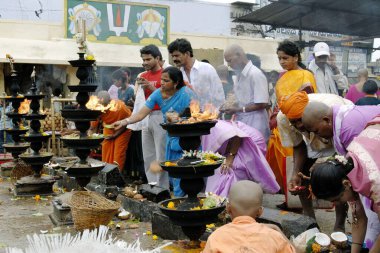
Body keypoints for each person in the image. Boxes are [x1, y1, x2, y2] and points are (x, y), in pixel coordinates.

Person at [113, 67, 194, 196]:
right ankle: (164, 194)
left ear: (176, 82)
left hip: (187, 136)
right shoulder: (157, 94)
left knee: (185, 168)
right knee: (171, 165)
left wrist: (181, 119)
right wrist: (124, 122)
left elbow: (196, 113)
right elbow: (140, 114)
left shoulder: (186, 93)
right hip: (171, 135)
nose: (161, 82)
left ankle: (188, 198)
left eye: (166, 80)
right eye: (161, 79)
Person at [277, 91, 352, 231]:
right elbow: (298, 145)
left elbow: (343, 152)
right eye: (293, 122)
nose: (299, 125)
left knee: (337, 176)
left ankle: (340, 223)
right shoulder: (282, 118)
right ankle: (309, 218)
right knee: (301, 174)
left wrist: (326, 162)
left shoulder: (334, 109)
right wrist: (295, 173)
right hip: (313, 141)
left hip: (337, 136)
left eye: (300, 119)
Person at [310, 130, 380, 253]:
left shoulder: (375, 183)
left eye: (336, 199)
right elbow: (358, 217)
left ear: (346, 184)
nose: (336, 204)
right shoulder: (345, 170)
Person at [266, 40, 316, 192]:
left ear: (296, 57)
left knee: (299, 161)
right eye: (279, 58)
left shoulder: (305, 75)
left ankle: (302, 196)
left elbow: (310, 99)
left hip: (301, 125)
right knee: (282, 162)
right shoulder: (282, 78)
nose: (282, 62)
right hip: (283, 124)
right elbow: (278, 102)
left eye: (285, 58)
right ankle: (287, 195)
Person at [203, 180, 296, 253]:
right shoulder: (273, 236)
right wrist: (277, 229)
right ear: (260, 212)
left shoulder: (217, 236)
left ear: (228, 208)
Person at [202, 120, 280, 197]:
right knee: (221, 168)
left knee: (230, 168)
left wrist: (230, 158)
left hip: (249, 140)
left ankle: (233, 198)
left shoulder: (213, 125)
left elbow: (237, 135)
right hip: (233, 145)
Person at [222, 44, 270, 141]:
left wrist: (238, 109)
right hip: (243, 123)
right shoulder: (239, 75)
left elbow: (262, 103)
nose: (229, 65)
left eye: (229, 61)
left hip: (256, 124)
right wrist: (227, 106)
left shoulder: (255, 74)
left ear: (239, 55)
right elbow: (240, 98)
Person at [136, 44, 168, 189]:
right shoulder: (142, 76)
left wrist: (151, 87)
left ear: (157, 58)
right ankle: (152, 186)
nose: (145, 63)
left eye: (148, 59)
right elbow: (137, 98)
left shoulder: (165, 75)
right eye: (143, 60)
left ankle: (163, 188)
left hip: (160, 115)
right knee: (148, 154)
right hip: (145, 116)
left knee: (161, 154)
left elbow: (168, 97)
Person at [302, 103, 380, 156]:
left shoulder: (347, 130)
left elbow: (363, 164)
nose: (317, 136)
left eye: (316, 131)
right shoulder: (342, 115)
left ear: (327, 120)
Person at [167, 38, 225, 108]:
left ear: (187, 53)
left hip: (210, 116)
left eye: (177, 56)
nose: (174, 59)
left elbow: (219, 95)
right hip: (189, 116)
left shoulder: (207, 69)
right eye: (172, 56)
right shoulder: (178, 75)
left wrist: (217, 113)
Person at [90, 91, 132, 171]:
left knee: (118, 154)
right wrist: (91, 140)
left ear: (110, 101)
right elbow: (93, 127)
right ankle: (106, 173)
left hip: (123, 129)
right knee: (106, 151)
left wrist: (115, 135)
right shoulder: (97, 108)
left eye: (105, 106)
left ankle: (116, 175)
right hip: (108, 129)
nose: (104, 108)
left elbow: (128, 122)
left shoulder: (120, 106)